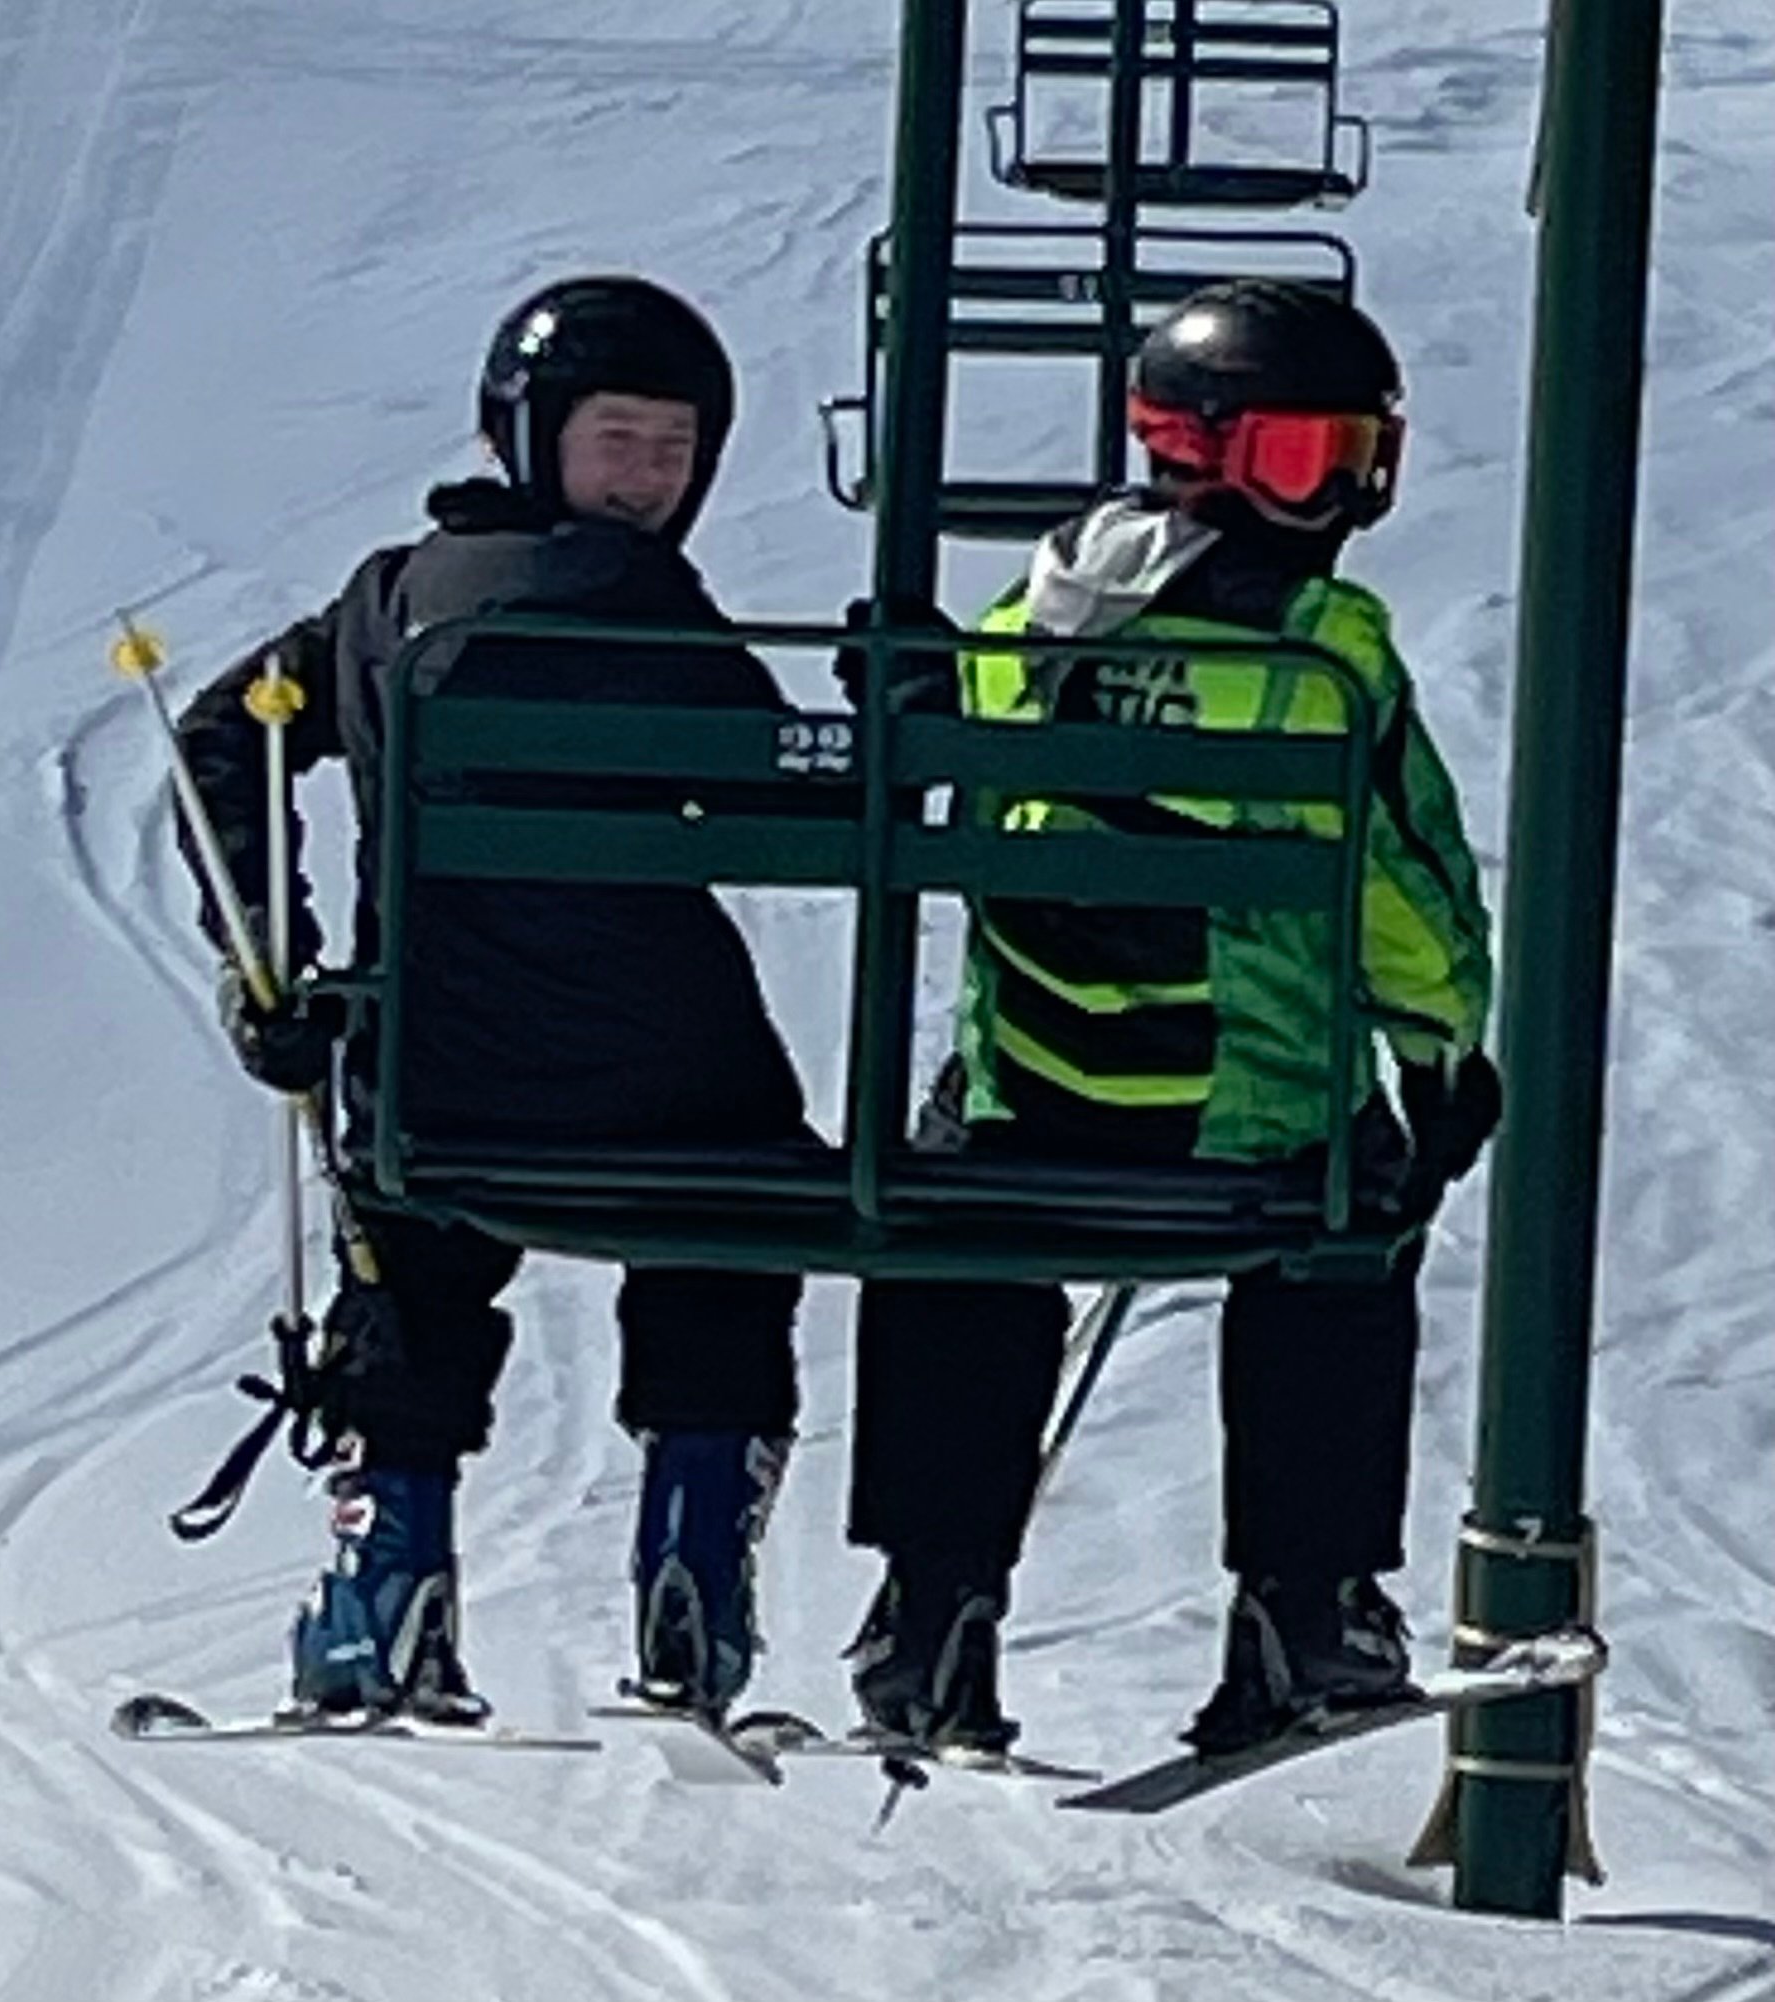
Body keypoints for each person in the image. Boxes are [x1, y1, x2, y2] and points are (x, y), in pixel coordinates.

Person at [842, 278, 1501, 1757]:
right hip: (1239, 1135)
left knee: (961, 1217)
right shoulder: (1325, 650)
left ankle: (931, 1601)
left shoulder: (1042, 605)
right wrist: (1442, 1053)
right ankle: (1307, 1600)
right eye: (1294, 459)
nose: (1322, 495)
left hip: (1024, 1120)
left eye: (1336, 459)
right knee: (1353, 1220)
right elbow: (1407, 895)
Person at [176, 276, 809, 1724]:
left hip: (438, 1081)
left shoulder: (390, 598)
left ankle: (388, 1583)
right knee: (735, 1206)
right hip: (674, 1088)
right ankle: (695, 1566)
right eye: (621, 441)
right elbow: (779, 782)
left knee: (405, 1236)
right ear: (538, 440)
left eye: (672, 448)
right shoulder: (665, 611)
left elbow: (224, 736)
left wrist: (270, 951)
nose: (648, 479)